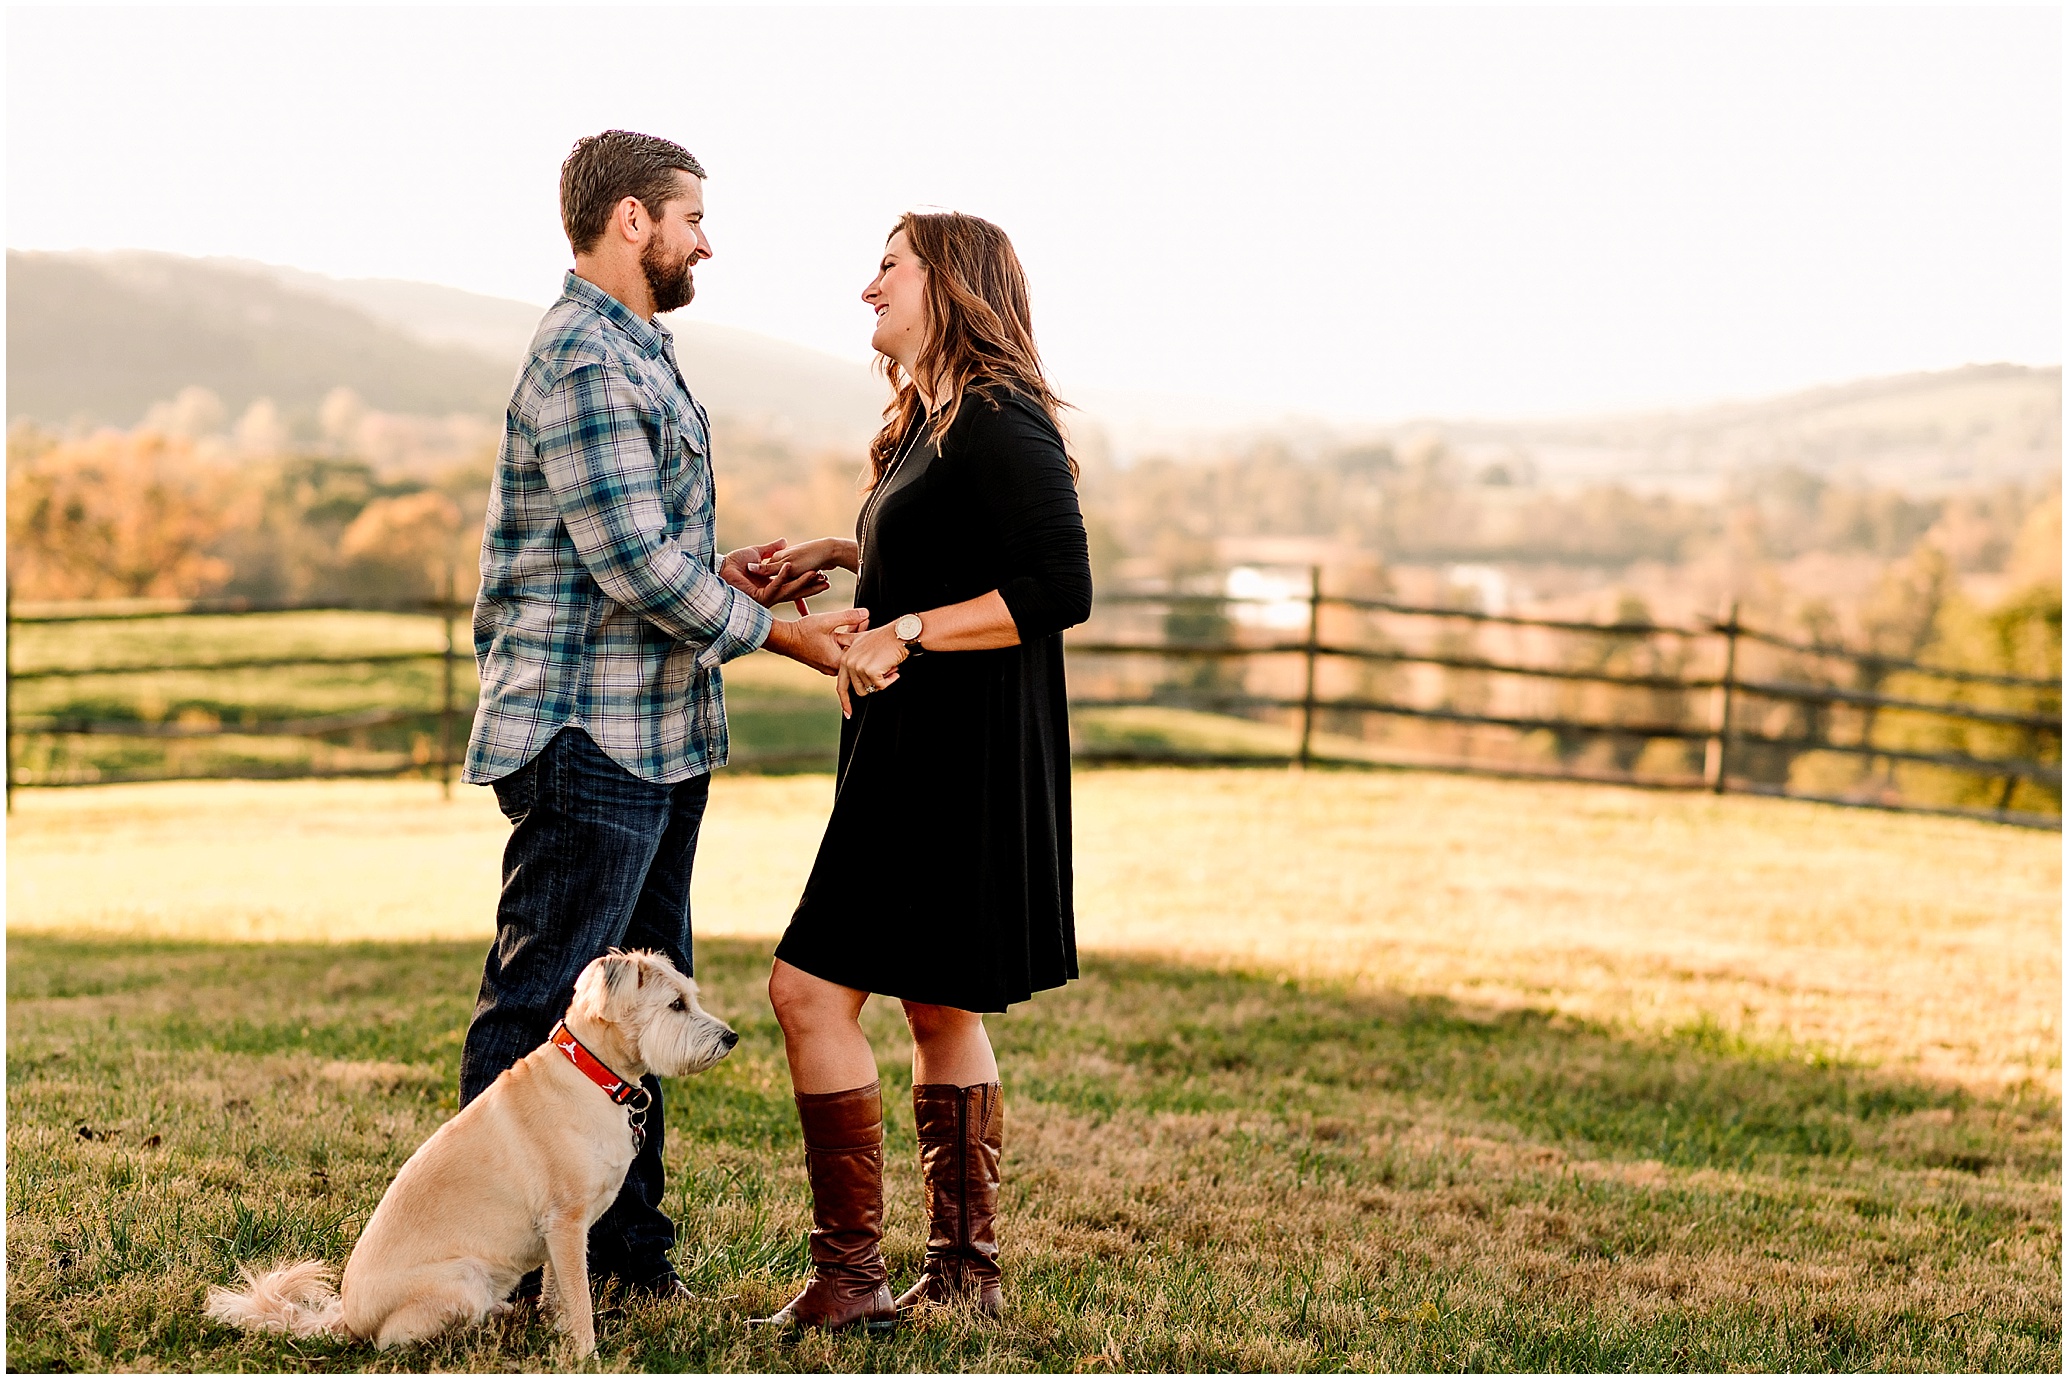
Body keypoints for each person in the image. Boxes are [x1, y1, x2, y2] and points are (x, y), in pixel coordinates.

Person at [457, 130, 863, 1303]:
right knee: (545, 1009)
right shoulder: (586, 357)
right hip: (588, 739)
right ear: (631, 219)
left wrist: (729, 576)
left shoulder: (638, 350)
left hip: (653, 730)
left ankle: (626, 1257)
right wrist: (788, 637)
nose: (704, 240)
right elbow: (632, 563)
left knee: (643, 1016)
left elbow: (644, 554)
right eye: (690, 218)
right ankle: (499, 1265)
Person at [750, 212, 1093, 1331]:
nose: (866, 292)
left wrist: (905, 635)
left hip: (950, 760)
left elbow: (1054, 587)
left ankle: (850, 1283)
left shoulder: (998, 416)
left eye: (887, 269)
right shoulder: (927, 424)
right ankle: (962, 1278)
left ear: (950, 281)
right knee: (938, 1002)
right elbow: (952, 557)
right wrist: (842, 555)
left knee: (806, 990)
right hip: (919, 747)